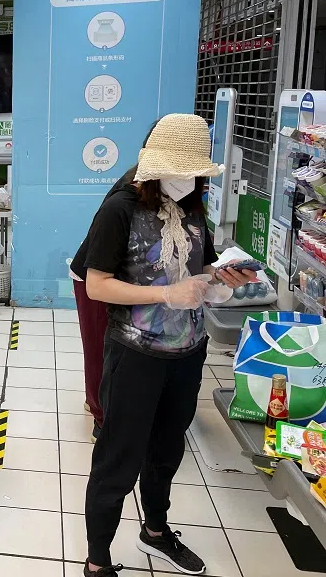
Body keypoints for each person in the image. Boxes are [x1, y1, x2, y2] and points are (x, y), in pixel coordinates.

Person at [79, 114, 256, 577]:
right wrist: (163, 294)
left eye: (194, 173)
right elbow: (96, 285)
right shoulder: (119, 209)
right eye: (179, 171)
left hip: (187, 352)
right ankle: (97, 562)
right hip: (135, 354)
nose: (187, 180)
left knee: (166, 450)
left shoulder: (193, 207)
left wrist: (222, 282)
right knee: (119, 458)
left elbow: (204, 268)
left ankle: (155, 531)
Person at [70, 123, 159, 441]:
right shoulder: (125, 202)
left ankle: (105, 403)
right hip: (95, 277)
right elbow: (97, 281)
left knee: (119, 352)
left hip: (128, 281)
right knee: (100, 348)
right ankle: (101, 416)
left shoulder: (174, 197)